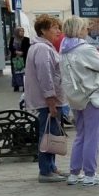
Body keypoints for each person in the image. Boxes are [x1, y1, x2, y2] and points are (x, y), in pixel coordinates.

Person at [59, 16, 99, 186]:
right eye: (84, 28)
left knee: (81, 135)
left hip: (75, 97)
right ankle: (90, 174)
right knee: (93, 136)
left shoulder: (63, 50)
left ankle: (74, 173)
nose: (87, 30)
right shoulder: (85, 48)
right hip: (91, 95)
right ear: (78, 30)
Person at [24, 14, 67, 183]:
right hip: (48, 101)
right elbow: (46, 76)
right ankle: (45, 171)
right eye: (55, 28)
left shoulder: (44, 47)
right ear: (43, 30)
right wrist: (51, 101)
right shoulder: (42, 49)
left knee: (52, 134)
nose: (58, 31)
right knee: (47, 135)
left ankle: (51, 168)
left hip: (51, 100)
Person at [8, 27, 30, 92]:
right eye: (20, 31)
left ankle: (24, 86)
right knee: (15, 72)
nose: (22, 32)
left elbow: (28, 48)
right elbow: (10, 47)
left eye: (23, 31)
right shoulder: (12, 39)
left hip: (23, 58)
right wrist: (16, 52)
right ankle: (16, 86)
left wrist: (22, 52)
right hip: (15, 58)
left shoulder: (26, 39)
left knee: (23, 72)